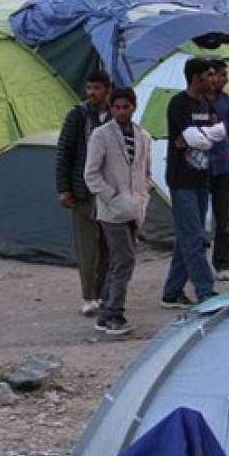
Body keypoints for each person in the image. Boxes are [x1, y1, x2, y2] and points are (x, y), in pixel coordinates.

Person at [84, 87, 153, 336]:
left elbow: (145, 171)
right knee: (125, 259)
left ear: (134, 107)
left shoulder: (143, 136)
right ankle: (115, 313)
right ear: (111, 108)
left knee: (117, 261)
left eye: (126, 107)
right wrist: (111, 196)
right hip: (112, 210)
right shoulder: (101, 135)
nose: (122, 112)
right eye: (117, 107)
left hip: (135, 207)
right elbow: (91, 174)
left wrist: (144, 192)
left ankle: (105, 313)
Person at [162, 57, 222, 308]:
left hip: (202, 178)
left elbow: (217, 134)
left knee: (187, 238)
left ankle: (172, 292)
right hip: (182, 179)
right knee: (195, 236)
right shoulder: (178, 104)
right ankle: (205, 290)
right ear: (196, 77)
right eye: (209, 75)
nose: (213, 79)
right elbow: (189, 138)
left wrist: (200, 136)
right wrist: (200, 137)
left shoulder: (207, 104)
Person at [56, 71, 112, 316]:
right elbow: (64, 153)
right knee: (87, 248)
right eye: (89, 88)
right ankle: (88, 296)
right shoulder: (77, 116)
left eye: (97, 88)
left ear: (107, 90)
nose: (92, 93)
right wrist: (64, 188)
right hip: (83, 192)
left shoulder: (115, 116)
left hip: (110, 193)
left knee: (108, 247)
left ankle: (103, 294)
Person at [206, 59, 229, 281]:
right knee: (197, 217)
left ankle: (223, 263)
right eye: (222, 75)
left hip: (221, 166)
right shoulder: (196, 101)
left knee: (223, 218)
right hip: (198, 167)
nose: (225, 79)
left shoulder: (228, 102)